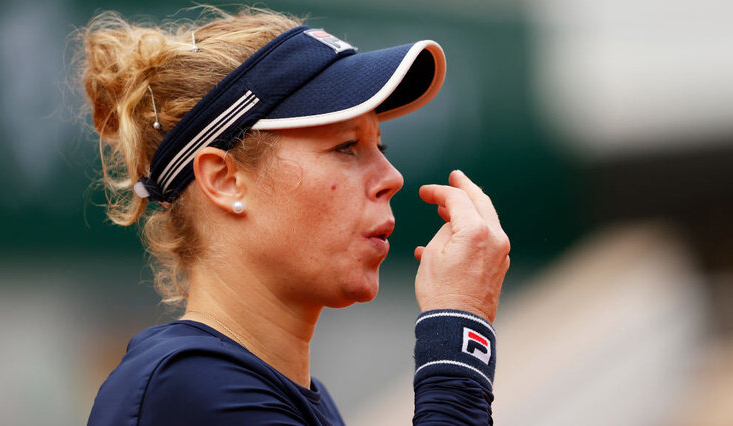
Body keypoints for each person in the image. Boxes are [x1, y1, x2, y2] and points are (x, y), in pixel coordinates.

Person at [80, 6, 510, 425]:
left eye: (379, 146)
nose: (392, 177)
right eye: (346, 146)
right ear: (225, 180)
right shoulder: (187, 387)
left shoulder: (259, 389)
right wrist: (457, 331)